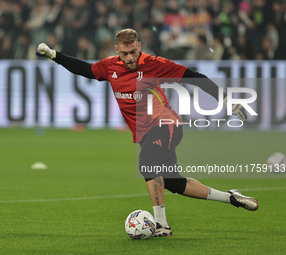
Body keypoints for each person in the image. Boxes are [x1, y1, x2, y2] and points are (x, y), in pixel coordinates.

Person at [35, 28, 258, 237]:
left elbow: (195, 77)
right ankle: (231, 197)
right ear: (117, 51)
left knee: (147, 162)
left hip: (166, 126)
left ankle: (161, 224)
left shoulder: (154, 64)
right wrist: (54, 55)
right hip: (145, 134)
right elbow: (85, 69)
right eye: (125, 53)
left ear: (139, 46)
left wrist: (225, 99)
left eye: (134, 52)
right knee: (173, 183)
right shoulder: (109, 66)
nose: (130, 58)